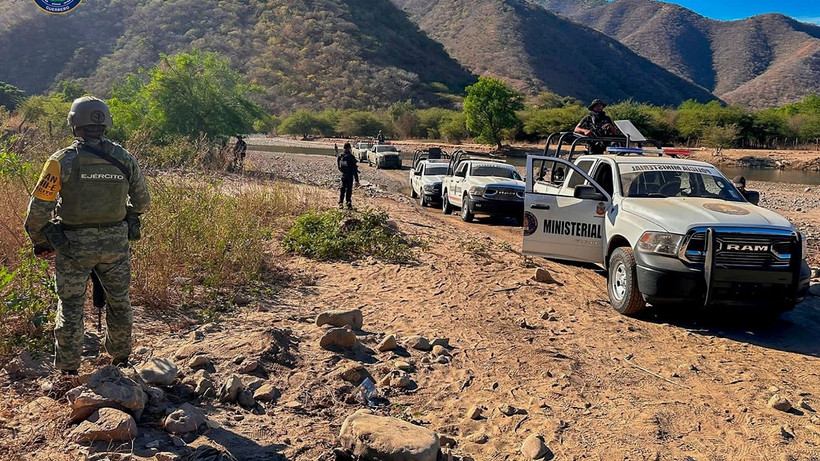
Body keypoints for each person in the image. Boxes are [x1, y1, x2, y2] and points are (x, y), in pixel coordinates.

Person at [25, 96, 151, 375]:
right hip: (115, 244)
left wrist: (42, 243)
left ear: (73, 124)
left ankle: (68, 371)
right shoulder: (124, 157)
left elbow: (37, 214)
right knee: (119, 301)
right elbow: (142, 203)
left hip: (74, 246)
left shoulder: (61, 161)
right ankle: (120, 361)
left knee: (70, 306)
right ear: (105, 123)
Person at [337, 142, 360, 209]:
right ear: (349, 148)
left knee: (342, 188)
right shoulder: (350, 157)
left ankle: (340, 203)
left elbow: (339, 167)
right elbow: (354, 169)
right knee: (349, 190)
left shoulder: (340, 156)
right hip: (349, 175)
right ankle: (348, 203)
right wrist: (356, 180)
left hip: (343, 174)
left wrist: (343, 171)